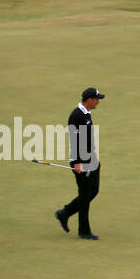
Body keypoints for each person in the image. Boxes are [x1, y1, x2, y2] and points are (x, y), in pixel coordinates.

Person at [54, 88, 105, 240]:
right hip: (81, 161)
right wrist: (77, 162)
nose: (98, 102)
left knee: (93, 191)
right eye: (97, 99)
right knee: (84, 195)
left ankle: (65, 213)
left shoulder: (85, 114)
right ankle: (84, 231)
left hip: (91, 159)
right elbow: (75, 140)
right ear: (89, 99)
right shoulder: (76, 116)